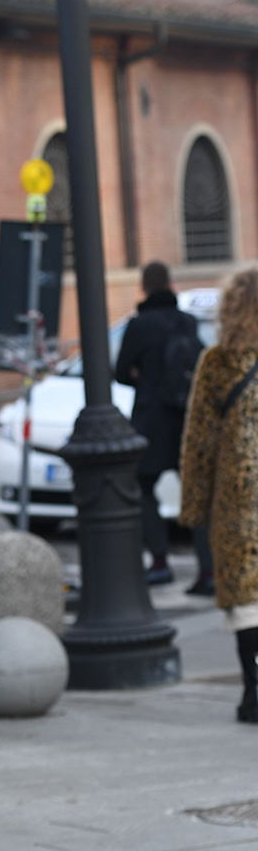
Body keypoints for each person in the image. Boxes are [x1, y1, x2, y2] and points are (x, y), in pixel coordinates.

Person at [180, 266, 258, 723]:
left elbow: (199, 441)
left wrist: (193, 506)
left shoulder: (217, 363)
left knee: (247, 600)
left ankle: (252, 694)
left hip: (237, 502)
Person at [116, 261, 210, 590]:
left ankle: (158, 562)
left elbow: (120, 370)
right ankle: (208, 572)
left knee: (143, 488)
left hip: (151, 421)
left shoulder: (139, 325)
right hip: (187, 420)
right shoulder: (188, 322)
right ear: (170, 284)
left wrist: (142, 375)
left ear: (144, 287)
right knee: (195, 493)